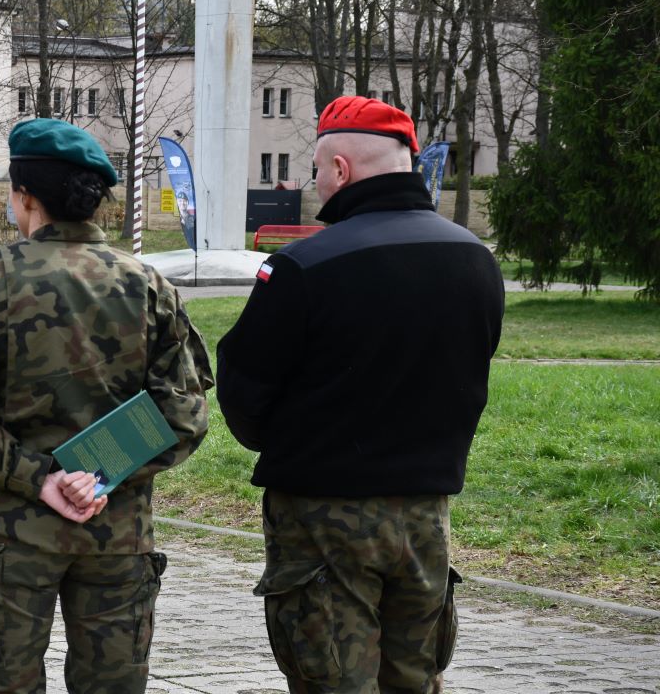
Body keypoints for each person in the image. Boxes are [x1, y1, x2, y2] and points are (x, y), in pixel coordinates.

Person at [216, 96, 505, 694]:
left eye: (317, 169)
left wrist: (299, 439)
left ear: (341, 169)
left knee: (334, 680)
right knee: (418, 679)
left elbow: (245, 391)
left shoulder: (302, 265)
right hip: (427, 512)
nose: (314, 182)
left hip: (324, 513)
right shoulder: (476, 259)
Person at [0, 117, 214, 694]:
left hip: (11, 532)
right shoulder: (148, 284)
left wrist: (42, 479)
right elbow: (183, 411)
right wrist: (95, 475)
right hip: (117, 531)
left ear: (24, 197)